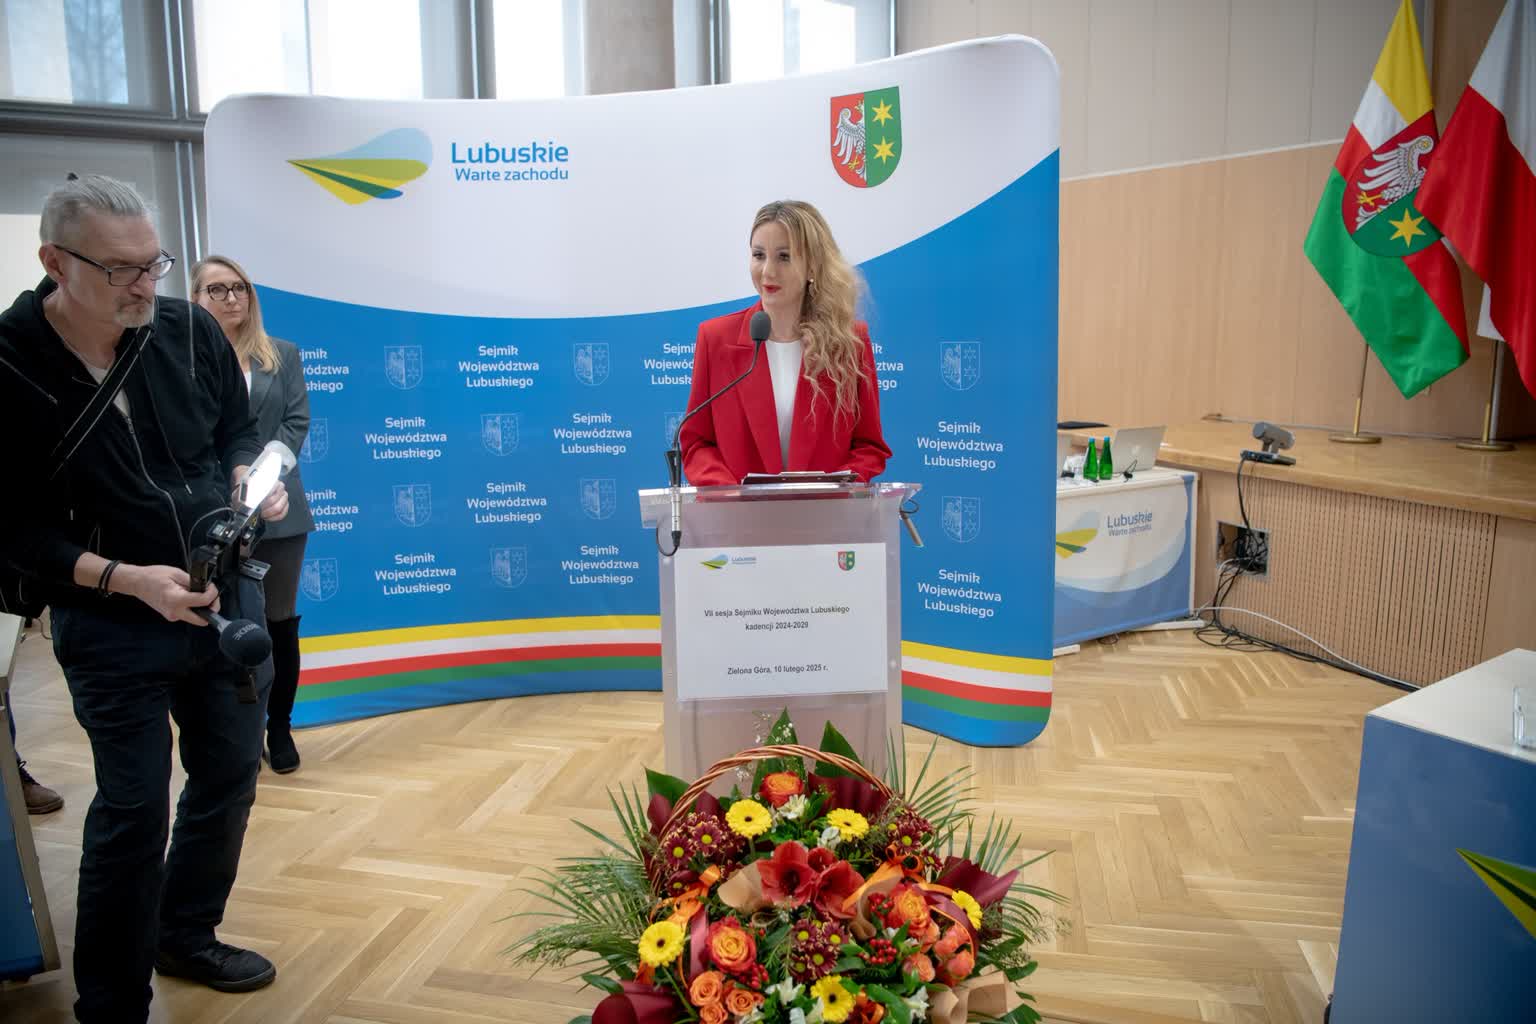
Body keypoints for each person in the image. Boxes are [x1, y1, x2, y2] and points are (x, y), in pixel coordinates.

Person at [0, 174, 287, 1021]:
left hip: (217, 598)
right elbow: (11, 530)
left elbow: (236, 429)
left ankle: (185, 934)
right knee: (132, 809)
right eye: (120, 268)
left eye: (153, 264)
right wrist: (124, 578)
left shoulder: (188, 329)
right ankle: (112, 1000)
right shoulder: (9, 365)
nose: (142, 286)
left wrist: (247, 477)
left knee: (229, 775)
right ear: (55, 262)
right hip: (109, 619)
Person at [193, 255, 314, 775]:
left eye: (239, 287)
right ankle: (235, 730)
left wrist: (258, 480)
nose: (232, 297)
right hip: (211, 516)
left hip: (279, 509)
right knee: (223, 624)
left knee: (280, 624)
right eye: (217, 289)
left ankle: (278, 728)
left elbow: (295, 423)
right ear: (196, 298)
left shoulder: (281, 354)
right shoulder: (182, 361)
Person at [680, 199, 890, 485]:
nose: (767, 271)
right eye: (758, 255)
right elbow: (697, 444)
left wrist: (836, 489)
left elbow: (869, 447)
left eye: (784, 256)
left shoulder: (850, 342)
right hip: (739, 512)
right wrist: (733, 495)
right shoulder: (715, 338)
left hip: (828, 512)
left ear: (813, 267)